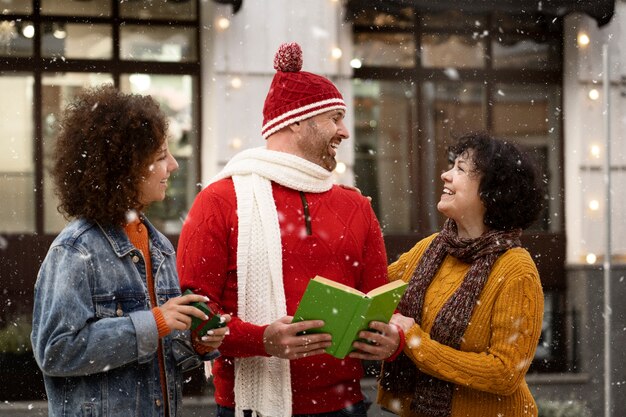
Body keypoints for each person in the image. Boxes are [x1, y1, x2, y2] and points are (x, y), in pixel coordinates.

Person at [177, 42, 402, 417]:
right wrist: (262, 340)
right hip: (248, 407)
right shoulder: (219, 200)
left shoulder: (356, 205)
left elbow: (381, 302)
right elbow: (194, 319)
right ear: (298, 121)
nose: (344, 132)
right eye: (334, 118)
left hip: (344, 405)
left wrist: (392, 340)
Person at [31, 85, 230, 417]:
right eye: (160, 156)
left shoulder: (160, 247)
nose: (173, 167)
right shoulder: (75, 250)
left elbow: (165, 351)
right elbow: (56, 351)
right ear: (126, 170)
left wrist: (196, 342)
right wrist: (153, 323)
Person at [377, 131, 545, 417]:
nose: (445, 174)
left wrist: (415, 342)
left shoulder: (516, 270)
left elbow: (505, 374)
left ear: (491, 193)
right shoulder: (431, 248)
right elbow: (371, 288)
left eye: (461, 169)